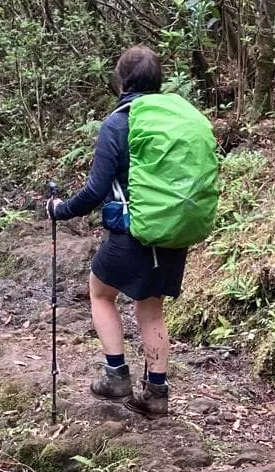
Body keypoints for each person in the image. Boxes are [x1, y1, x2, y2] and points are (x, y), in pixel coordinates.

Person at [47, 45, 187, 418]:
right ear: (158, 82)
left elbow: (95, 189)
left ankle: (116, 376)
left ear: (122, 81)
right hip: (172, 231)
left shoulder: (119, 122)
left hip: (132, 233)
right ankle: (156, 393)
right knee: (151, 306)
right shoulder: (172, 121)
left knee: (100, 292)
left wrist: (61, 211)